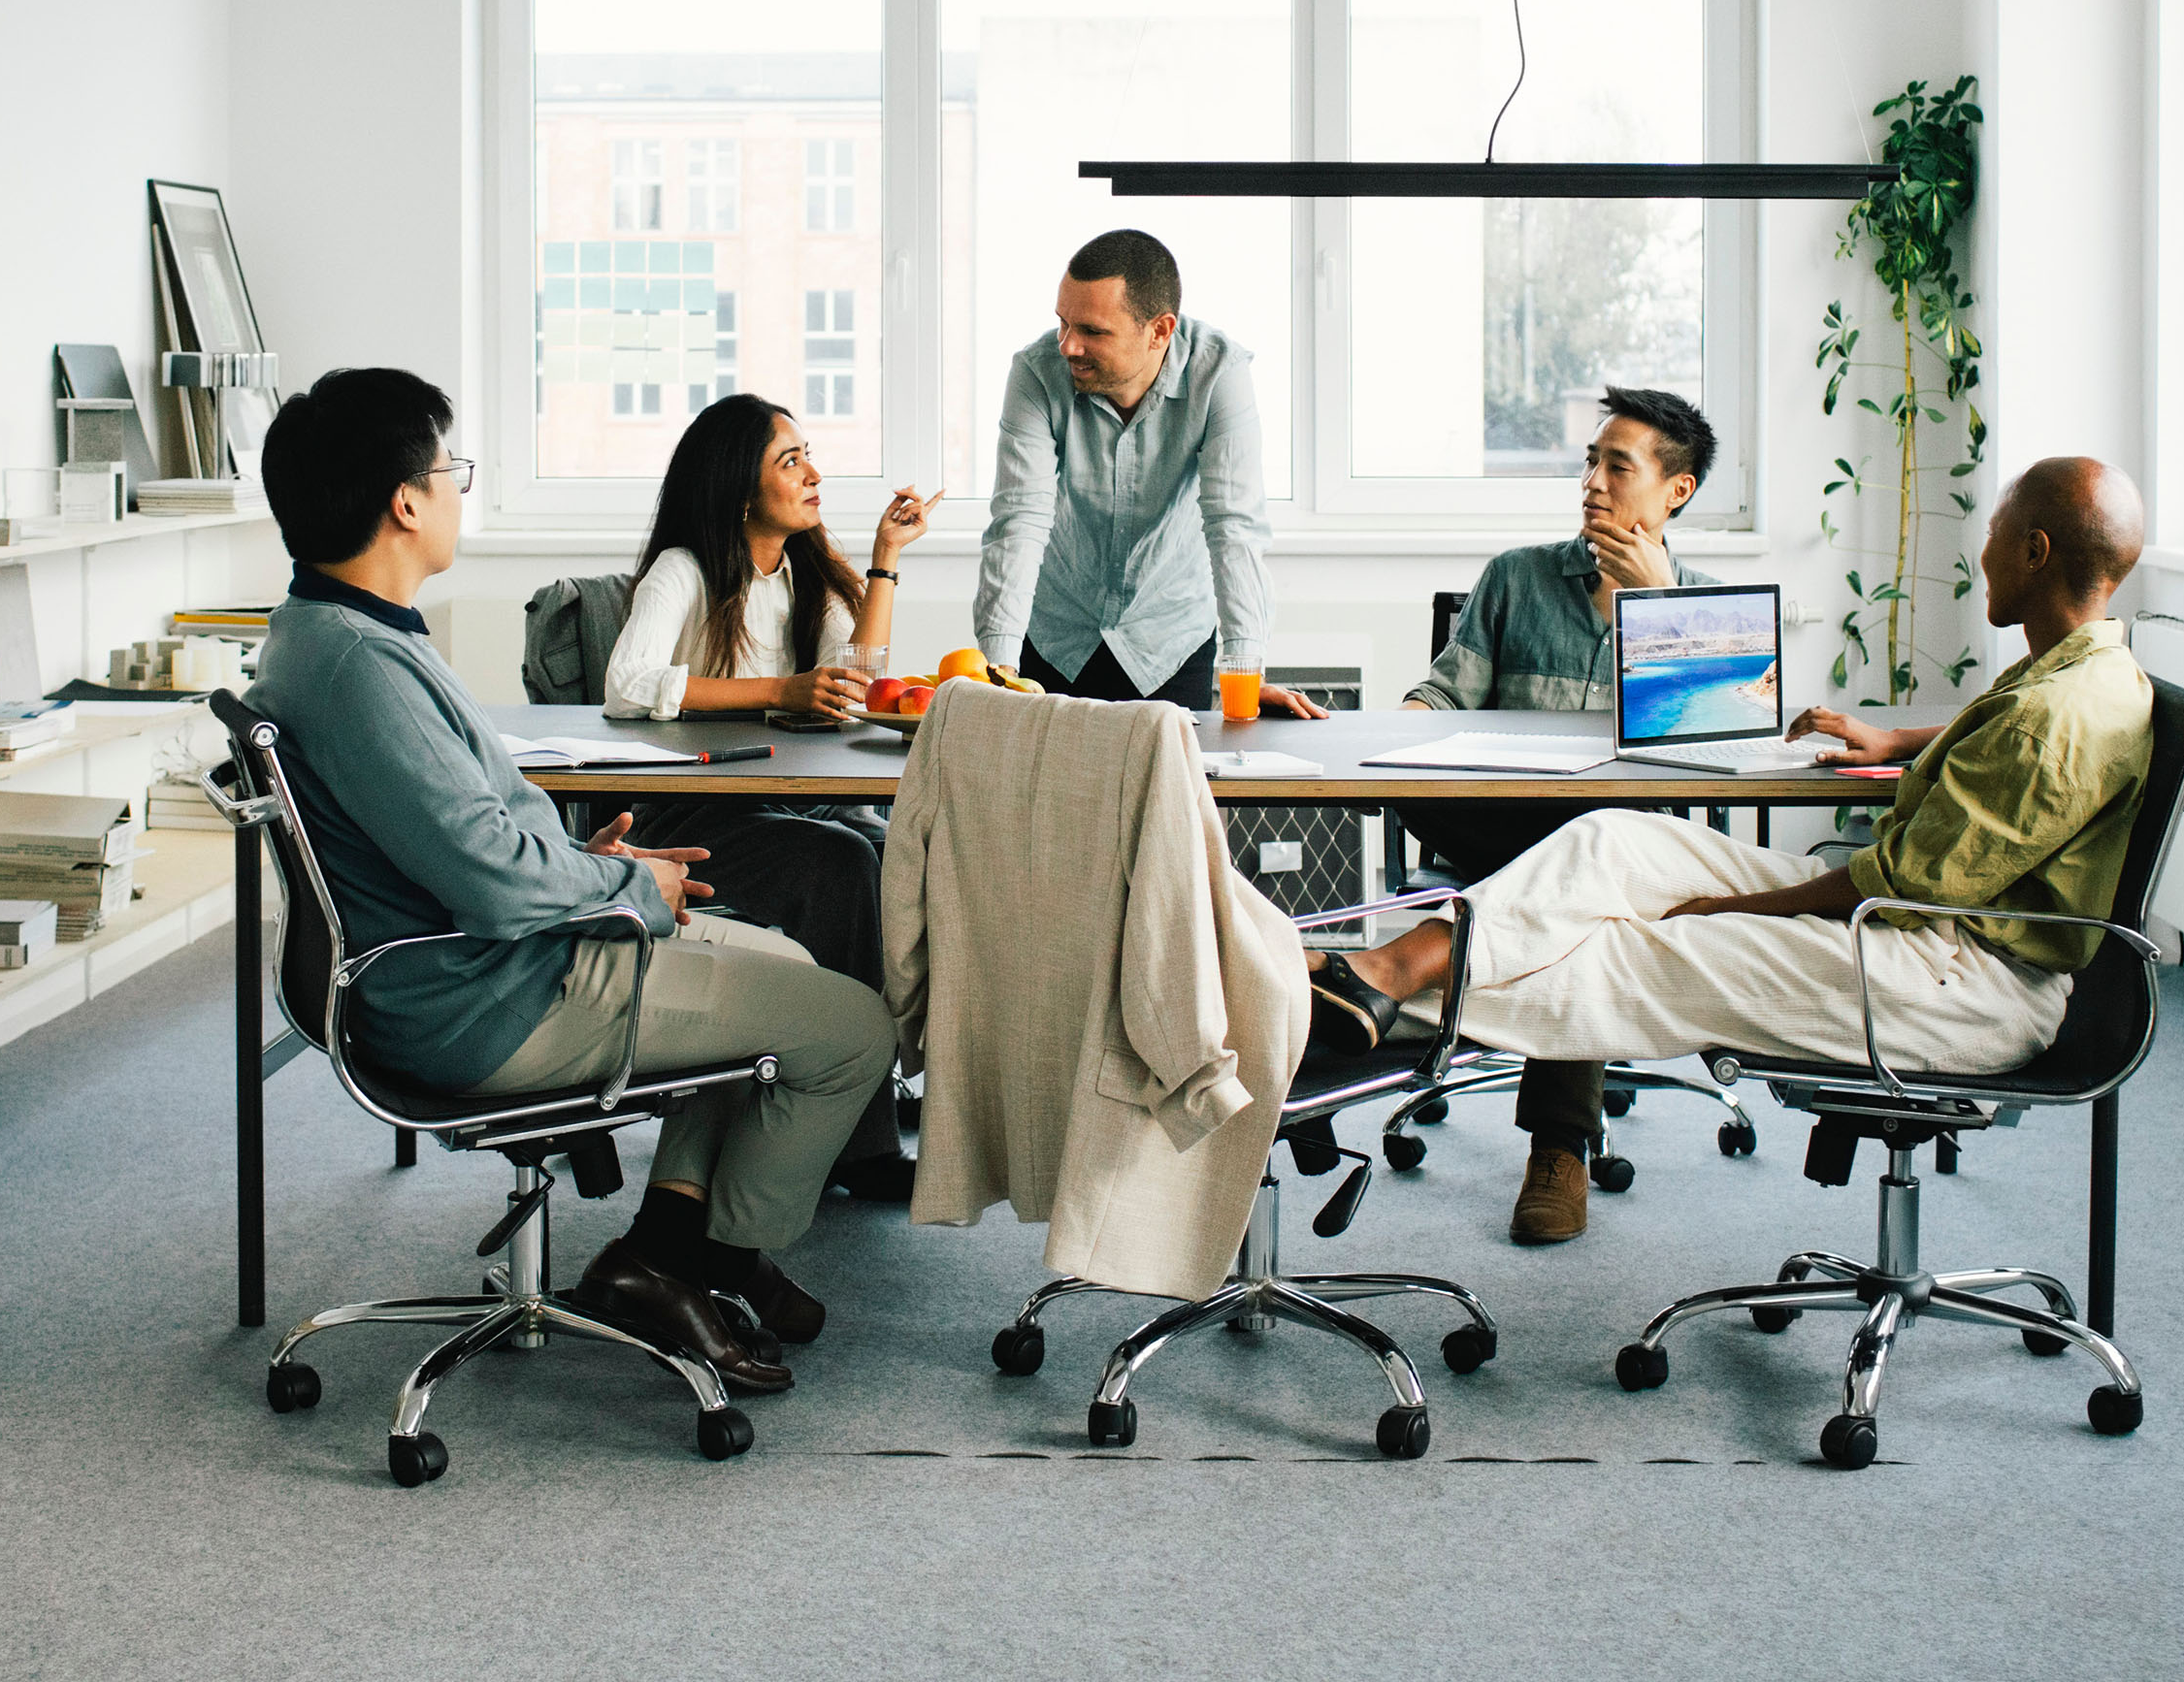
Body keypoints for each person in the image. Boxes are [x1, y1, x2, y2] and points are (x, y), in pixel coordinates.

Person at [245, 368, 894, 1399]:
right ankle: (714, 1258)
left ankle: (664, 1246)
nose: (460, 490)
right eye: (451, 471)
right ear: (405, 503)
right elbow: (495, 881)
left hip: (485, 964)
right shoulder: (359, 669)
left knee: (781, 960)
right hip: (491, 994)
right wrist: (627, 891)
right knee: (854, 1029)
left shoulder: (339, 634)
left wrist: (611, 865)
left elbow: (480, 835)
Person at [1308, 460, 2155, 1103]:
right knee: (1620, 840)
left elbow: (1897, 882)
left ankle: (1311, 1001)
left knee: (1636, 947)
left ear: (2035, 552)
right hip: (1927, 926)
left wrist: (1730, 908)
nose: (1981, 552)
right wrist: (1898, 736)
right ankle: (1385, 970)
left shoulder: (2061, 713)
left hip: (1957, 973)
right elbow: (2005, 741)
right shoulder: (2079, 672)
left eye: (1997, 533)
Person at [1397, 386, 1728, 1245]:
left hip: (1623, 848)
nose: (1592, 482)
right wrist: (1399, 725)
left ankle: (1557, 1144)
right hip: (1499, 826)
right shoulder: (1516, 576)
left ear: (1674, 492)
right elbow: (1444, 693)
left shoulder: (1713, 614)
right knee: (1571, 872)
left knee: (1587, 875)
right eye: (1590, 460)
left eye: (1618, 466)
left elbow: (1707, 750)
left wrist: (1650, 617)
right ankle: (1561, 1144)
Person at [604, 391, 934, 1199]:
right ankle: (861, 1143)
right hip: (690, 821)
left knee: (900, 857)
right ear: (741, 489)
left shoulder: (803, 574)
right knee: (840, 863)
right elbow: (626, 683)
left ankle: (866, 1084)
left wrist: (885, 557)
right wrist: (777, 688)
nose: (814, 473)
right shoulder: (684, 570)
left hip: (778, 806)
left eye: (809, 454)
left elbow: (856, 679)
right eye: (791, 461)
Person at [976, 227, 1325, 719]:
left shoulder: (1219, 373)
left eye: (1093, 331)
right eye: (1062, 323)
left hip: (1169, 644)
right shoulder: (1036, 372)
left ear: (1159, 330)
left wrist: (1245, 670)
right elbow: (1019, 521)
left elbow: (1234, 527)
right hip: (1057, 636)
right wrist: (997, 670)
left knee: (1166, 794)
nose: (1068, 346)